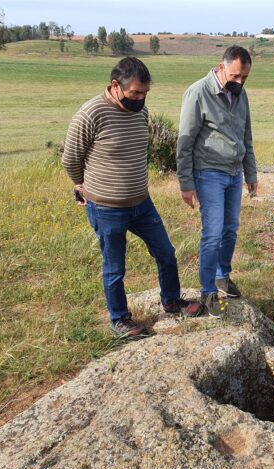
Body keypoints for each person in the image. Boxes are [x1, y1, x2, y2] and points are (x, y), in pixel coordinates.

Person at [62, 57, 202, 339]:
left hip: (141, 203)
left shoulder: (141, 111)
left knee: (165, 252)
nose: (140, 99)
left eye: (145, 93)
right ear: (116, 85)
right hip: (106, 208)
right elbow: (70, 158)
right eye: (135, 93)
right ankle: (120, 320)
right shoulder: (90, 114)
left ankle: (172, 301)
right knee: (115, 267)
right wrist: (81, 185)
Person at [176, 45, 258, 318]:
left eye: (244, 78)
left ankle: (223, 276)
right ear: (221, 67)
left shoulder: (241, 94)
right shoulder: (198, 92)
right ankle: (208, 291)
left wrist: (251, 173)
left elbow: (246, 135)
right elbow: (184, 142)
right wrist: (186, 182)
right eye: (234, 76)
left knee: (230, 229)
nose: (239, 82)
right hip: (209, 172)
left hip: (234, 173)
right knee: (212, 233)